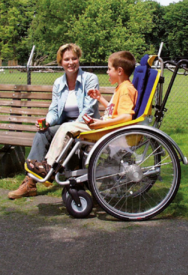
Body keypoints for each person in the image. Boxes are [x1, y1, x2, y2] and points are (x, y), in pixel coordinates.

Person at [20, 51, 137, 184]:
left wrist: (101, 124)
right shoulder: (121, 88)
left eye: (109, 69)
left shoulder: (125, 89)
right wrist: (100, 99)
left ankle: (48, 166)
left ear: (120, 71)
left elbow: (127, 117)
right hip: (104, 126)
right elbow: (113, 110)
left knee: (67, 127)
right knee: (62, 128)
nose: (107, 72)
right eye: (66, 59)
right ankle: (47, 169)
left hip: (106, 130)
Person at [8, 43, 100, 199]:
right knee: (42, 133)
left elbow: (89, 109)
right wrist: (48, 121)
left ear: (79, 59)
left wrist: (71, 127)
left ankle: (49, 170)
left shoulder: (90, 79)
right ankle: (30, 182)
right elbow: (54, 110)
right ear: (61, 62)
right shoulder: (58, 83)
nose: (71, 62)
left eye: (74, 58)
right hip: (65, 125)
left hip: (85, 124)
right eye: (66, 59)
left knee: (67, 132)